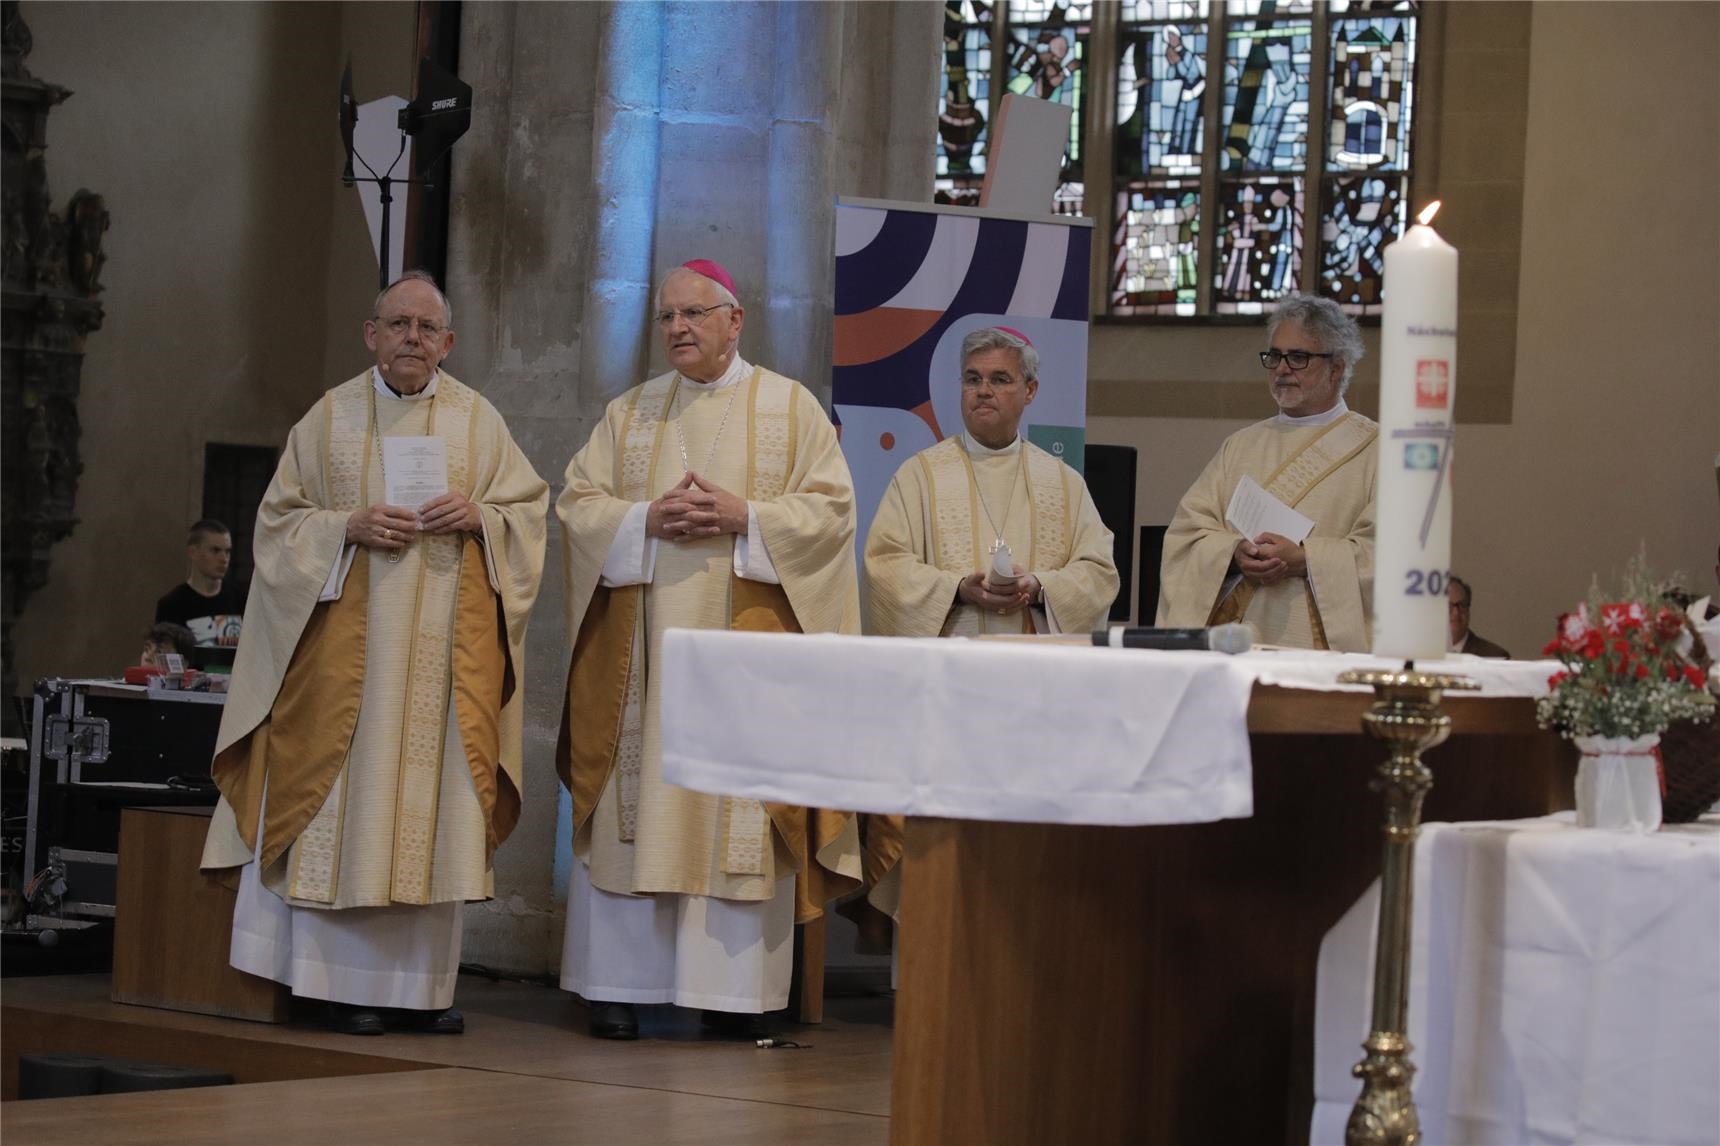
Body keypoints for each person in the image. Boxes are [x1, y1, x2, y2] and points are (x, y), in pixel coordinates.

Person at [199, 270, 549, 1036]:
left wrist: (483, 517)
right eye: (398, 325)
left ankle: (418, 995)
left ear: (448, 343)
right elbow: (277, 527)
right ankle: (330, 987)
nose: (412, 340)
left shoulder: (480, 424)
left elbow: (529, 517)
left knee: (433, 815)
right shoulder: (327, 421)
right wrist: (344, 528)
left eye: (427, 329)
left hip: (442, 672)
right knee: (341, 812)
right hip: (341, 669)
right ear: (372, 334)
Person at [556, 259, 862, 1041]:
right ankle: (615, 987)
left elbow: (830, 516)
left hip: (743, 666)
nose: (678, 330)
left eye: (695, 315)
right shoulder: (629, 414)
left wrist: (745, 516)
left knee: (735, 809)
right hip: (643, 659)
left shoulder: (790, 410)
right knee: (638, 800)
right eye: (667, 318)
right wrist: (643, 522)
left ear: (736, 320)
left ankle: (729, 1000)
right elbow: (578, 505)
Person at [859, 325, 1118, 937]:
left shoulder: (1062, 482)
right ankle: (923, 973)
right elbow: (885, 565)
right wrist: (955, 587)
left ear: (1029, 391)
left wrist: (1040, 587)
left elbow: (1098, 570)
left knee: (1017, 834)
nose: (983, 392)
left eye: (1000, 380)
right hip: (947, 686)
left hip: (1033, 694)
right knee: (942, 826)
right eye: (972, 379)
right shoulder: (920, 475)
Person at [1157, 293, 1377, 651]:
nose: (1282, 369)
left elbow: (1385, 557)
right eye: (1274, 356)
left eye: (1298, 358)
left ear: (1337, 367)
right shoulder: (1240, 446)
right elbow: (1186, 537)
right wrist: (1233, 553)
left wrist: (1306, 559)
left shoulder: (1376, 451)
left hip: (1314, 652)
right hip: (1234, 645)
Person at [155, 520, 245, 646]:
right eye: (215, 550)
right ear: (193, 552)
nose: (224, 559)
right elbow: (165, 656)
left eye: (227, 551)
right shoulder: (172, 605)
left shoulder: (241, 600)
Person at [1447, 576, 1509, 658]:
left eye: (1462, 605)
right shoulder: (1425, 654)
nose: (1456, 613)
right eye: (1448, 605)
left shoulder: (1495, 656)